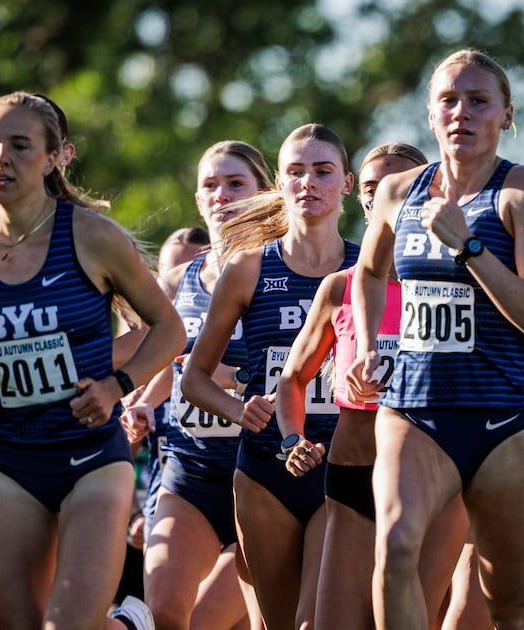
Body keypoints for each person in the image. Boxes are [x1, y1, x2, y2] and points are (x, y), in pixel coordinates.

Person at [0, 92, 185, 628]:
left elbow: (170, 328)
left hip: (89, 457)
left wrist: (116, 385)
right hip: (5, 456)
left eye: (19, 145)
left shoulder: (92, 236)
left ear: (54, 158)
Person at [347, 49, 524, 630]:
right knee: (393, 552)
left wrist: (470, 248)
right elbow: (368, 273)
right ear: (430, 114)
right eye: (448, 100)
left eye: (478, 101)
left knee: (511, 609)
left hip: (502, 420)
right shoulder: (398, 192)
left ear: (505, 116)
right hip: (414, 410)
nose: (461, 113)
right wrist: (370, 342)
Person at [274, 141, 468, 628]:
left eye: (398, 186)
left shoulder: (461, 283)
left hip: (433, 482)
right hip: (354, 472)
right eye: (373, 188)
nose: (385, 196)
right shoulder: (340, 287)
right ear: (360, 197)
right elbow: (293, 379)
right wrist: (292, 438)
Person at [181, 124, 360, 628]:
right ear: (278, 184)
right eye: (296, 172)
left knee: (318, 622)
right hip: (265, 469)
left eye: (323, 172)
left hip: (343, 465)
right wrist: (241, 409)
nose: (309, 183)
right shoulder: (249, 268)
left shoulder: (368, 269)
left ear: (346, 183)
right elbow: (194, 379)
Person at [130, 141, 273, 630]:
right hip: (190, 467)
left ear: (263, 193)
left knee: (220, 621)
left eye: (236, 184)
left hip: (261, 470)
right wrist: (139, 403)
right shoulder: (177, 280)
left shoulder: (282, 272)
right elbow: (158, 359)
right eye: (211, 185)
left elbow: (305, 364)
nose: (222, 195)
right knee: (167, 613)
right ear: (197, 199)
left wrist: (231, 378)